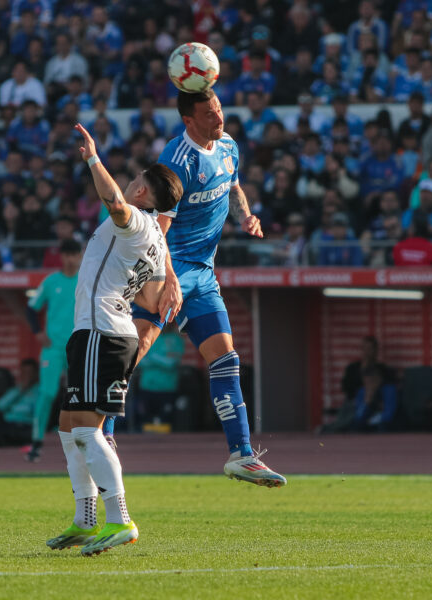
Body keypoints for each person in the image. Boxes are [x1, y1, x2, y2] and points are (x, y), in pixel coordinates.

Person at [127, 89, 287, 488]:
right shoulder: (177, 162)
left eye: (219, 110)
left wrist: (246, 217)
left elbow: (232, 187)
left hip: (203, 272)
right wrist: (169, 280)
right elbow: (157, 230)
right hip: (168, 270)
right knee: (132, 355)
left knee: (225, 358)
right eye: (209, 113)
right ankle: (100, 434)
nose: (219, 118)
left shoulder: (229, 145)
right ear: (189, 121)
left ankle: (242, 455)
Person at [46, 123, 181, 556]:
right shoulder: (157, 240)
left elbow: (115, 203)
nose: (130, 183)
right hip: (109, 331)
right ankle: (85, 520)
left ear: (143, 193)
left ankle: (120, 519)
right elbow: (152, 296)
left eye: (136, 181)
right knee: (69, 426)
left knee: (86, 429)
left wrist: (91, 158)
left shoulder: (137, 222)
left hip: (100, 331)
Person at [23, 238, 82, 462]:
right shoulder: (51, 282)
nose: (69, 259)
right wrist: (38, 332)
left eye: (73, 255)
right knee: (47, 393)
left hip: (78, 347)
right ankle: (36, 442)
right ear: (61, 257)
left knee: (80, 395)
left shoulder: (86, 280)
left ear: (79, 257)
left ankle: (81, 440)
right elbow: (32, 308)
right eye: (66, 255)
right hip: (54, 347)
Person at [0, 358, 40, 446]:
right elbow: (0, 406)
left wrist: (13, 409)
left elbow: (31, 411)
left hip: (26, 426)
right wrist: (21, 390)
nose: (26, 375)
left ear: (35, 373)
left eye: (29, 373)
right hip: (9, 425)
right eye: (24, 372)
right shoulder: (15, 390)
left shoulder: (39, 391)